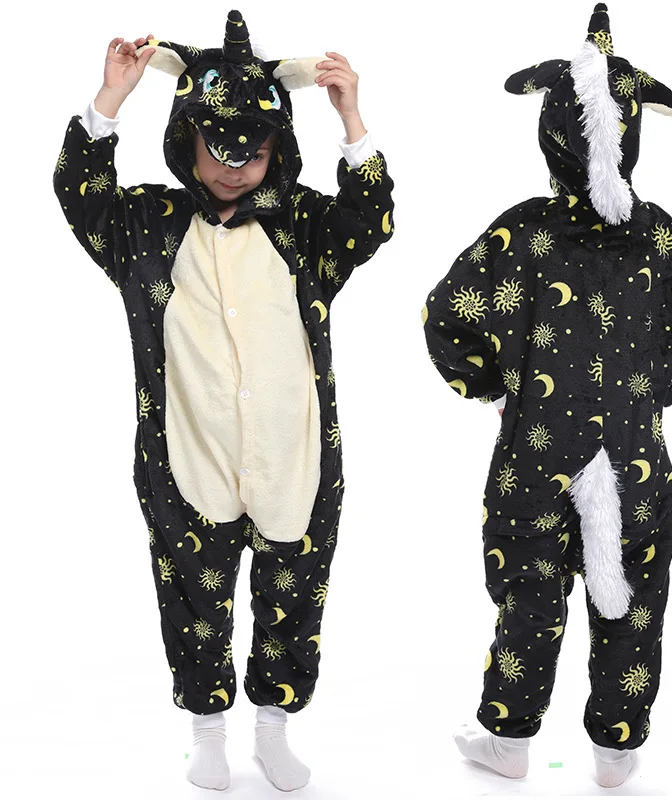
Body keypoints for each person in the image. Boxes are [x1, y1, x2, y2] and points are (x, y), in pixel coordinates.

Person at [52, 10, 394, 792]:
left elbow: (370, 222)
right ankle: (207, 731)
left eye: (256, 151)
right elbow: (82, 197)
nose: (236, 167)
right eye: (219, 147)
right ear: (188, 138)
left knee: (293, 598)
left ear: (279, 148)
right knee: (192, 601)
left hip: (294, 457)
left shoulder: (303, 224)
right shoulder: (147, 225)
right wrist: (110, 100)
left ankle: (273, 727)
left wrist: (351, 118)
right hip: (187, 457)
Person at [421, 2, 672, 789]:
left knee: (528, 601)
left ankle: (508, 740)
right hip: (637, 463)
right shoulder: (661, 237)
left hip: (535, 459)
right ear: (631, 133)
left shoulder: (520, 233)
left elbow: (444, 315)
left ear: (552, 128)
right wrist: (658, 394)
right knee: (632, 606)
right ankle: (616, 752)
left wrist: (492, 388)